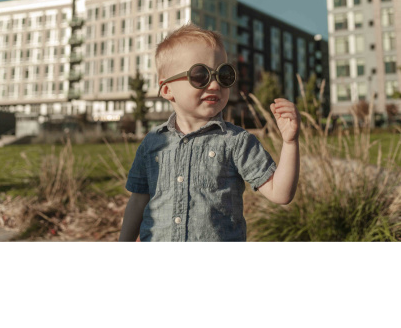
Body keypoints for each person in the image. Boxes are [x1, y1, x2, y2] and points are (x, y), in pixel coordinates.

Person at [119, 23, 300, 242]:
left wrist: (290, 142)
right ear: (167, 89)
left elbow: (280, 193)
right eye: (200, 75)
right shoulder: (152, 143)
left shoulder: (236, 142)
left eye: (223, 75)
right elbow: (138, 200)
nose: (215, 85)